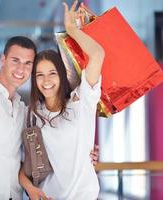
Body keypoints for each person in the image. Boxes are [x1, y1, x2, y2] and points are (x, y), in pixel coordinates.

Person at [0, 16, 99, 200]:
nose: (20, 69)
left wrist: (83, 152)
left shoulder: (25, 112)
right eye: (15, 60)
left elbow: (27, 159)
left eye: (28, 63)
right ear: (3, 59)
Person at [19, 1, 105, 200]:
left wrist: (72, 30)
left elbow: (98, 54)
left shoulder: (81, 101)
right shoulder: (33, 114)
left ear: (62, 75)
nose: (46, 81)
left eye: (52, 73)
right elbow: (24, 166)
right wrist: (31, 190)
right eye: (39, 75)